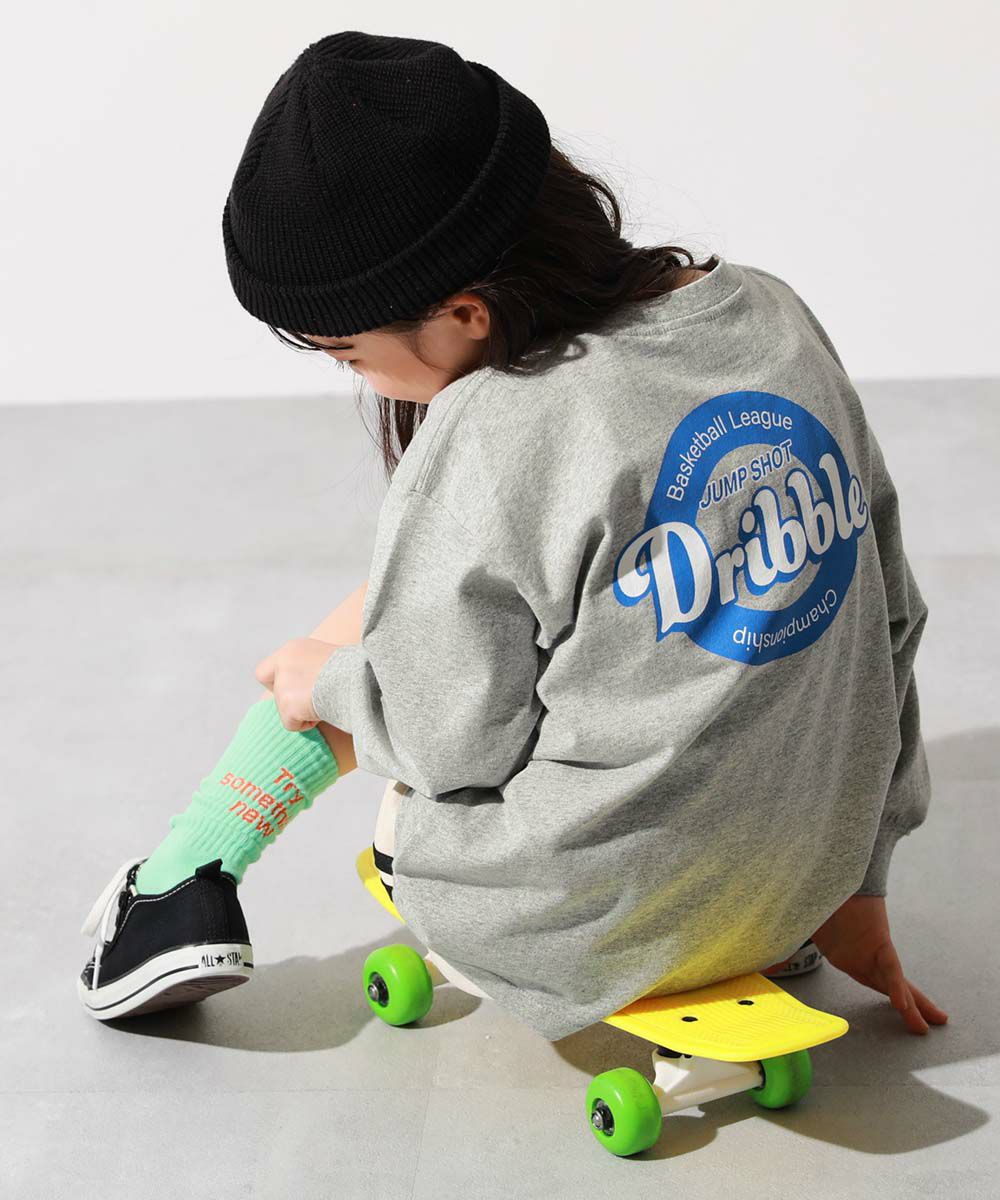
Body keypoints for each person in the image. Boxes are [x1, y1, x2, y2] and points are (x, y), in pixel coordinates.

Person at [78, 30, 948, 1041]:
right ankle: (182, 878)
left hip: (581, 925)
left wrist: (330, 685)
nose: (354, 377)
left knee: (373, 653)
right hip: (799, 894)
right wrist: (861, 884)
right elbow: (889, 614)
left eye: (346, 351)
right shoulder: (769, 317)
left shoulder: (498, 428)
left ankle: (180, 881)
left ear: (464, 311)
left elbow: (453, 742)